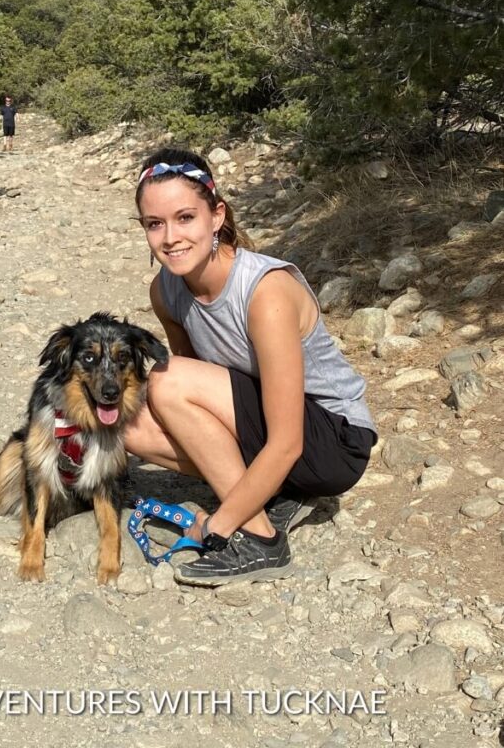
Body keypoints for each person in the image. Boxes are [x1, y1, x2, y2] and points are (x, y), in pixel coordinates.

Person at [124, 148, 377, 586]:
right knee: (129, 424)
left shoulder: (265, 291)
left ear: (216, 216)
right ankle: (278, 493)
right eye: (155, 224)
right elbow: (196, 397)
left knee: (165, 379)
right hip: (270, 427)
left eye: (185, 218)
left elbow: (286, 441)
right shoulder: (165, 291)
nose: (170, 237)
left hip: (333, 440)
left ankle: (261, 541)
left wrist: (218, 523)